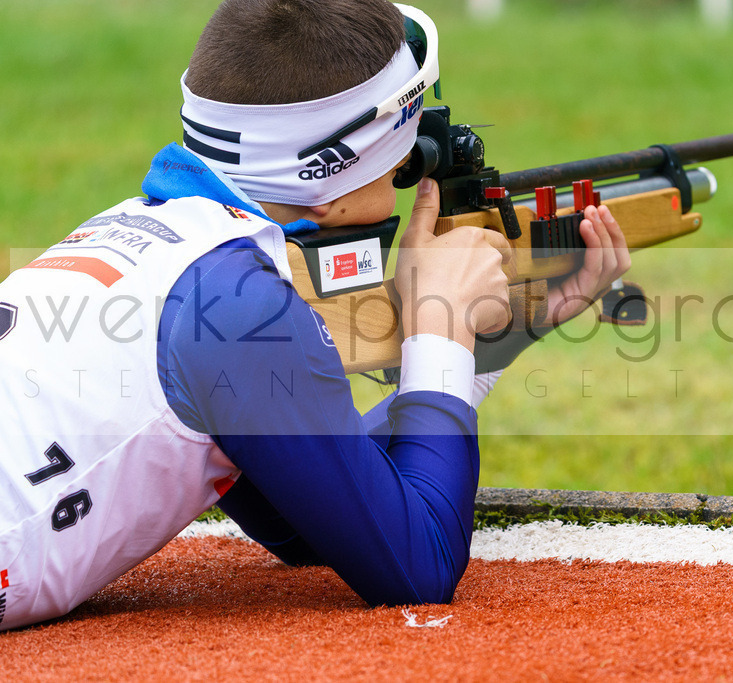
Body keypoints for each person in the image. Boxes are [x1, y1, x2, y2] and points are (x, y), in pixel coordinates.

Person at [0, 0, 629, 631]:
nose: (409, 174)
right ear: (337, 174)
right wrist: (440, 324)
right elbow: (417, 564)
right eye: (400, 154)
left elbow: (315, 517)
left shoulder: (150, 237)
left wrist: (495, 335)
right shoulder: (242, 312)